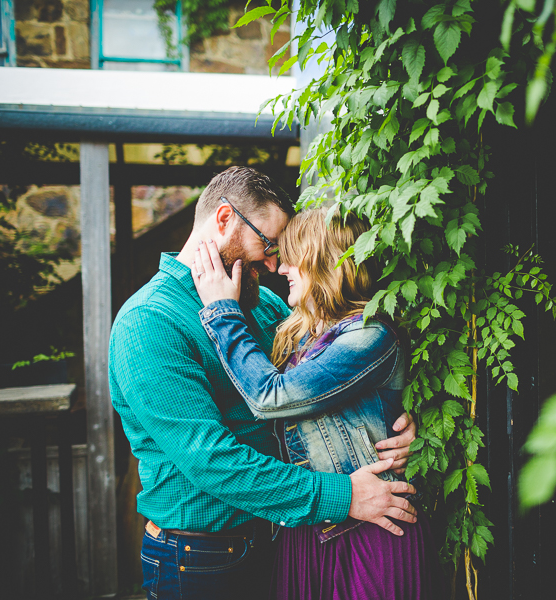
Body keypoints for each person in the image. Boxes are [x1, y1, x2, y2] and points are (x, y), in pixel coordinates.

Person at [109, 167, 417, 600]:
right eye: (268, 244)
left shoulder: (263, 302)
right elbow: (212, 461)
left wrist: (392, 424)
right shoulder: (149, 322)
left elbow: (324, 381)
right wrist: (342, 496)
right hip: (200, 556)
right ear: (224, 219)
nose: (274, 264)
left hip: (284, 538)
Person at [191, 206, 442, 599]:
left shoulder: (369, 335)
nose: (280, 267)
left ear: (326, 261)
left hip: (370, 529)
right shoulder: (301, 332)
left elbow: (269, 396)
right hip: (310, 528)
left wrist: (221, 311)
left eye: (292, 255)